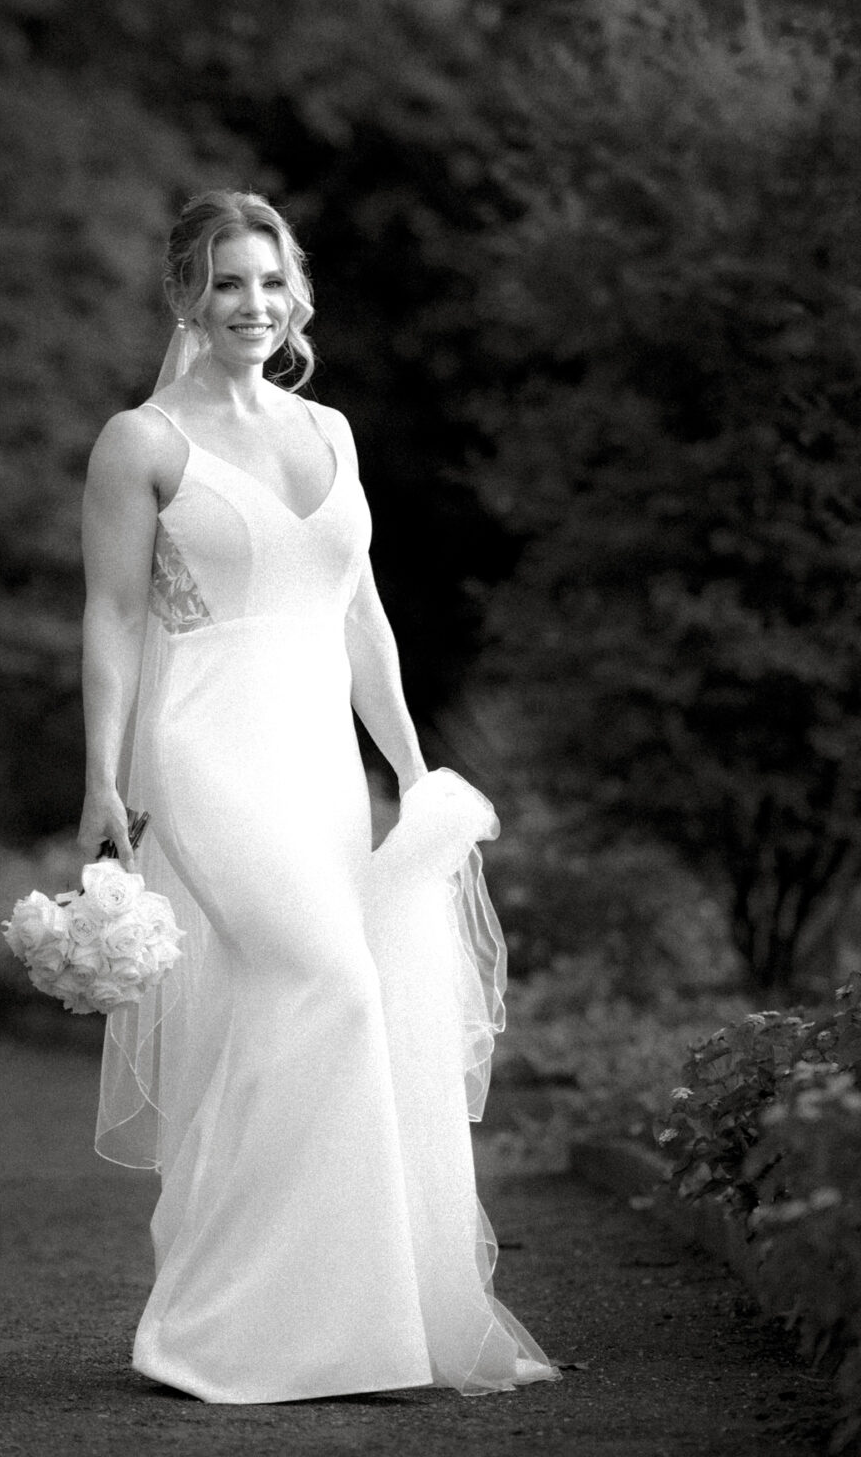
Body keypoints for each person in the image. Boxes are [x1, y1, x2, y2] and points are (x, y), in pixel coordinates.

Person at [76, 189, 557, 1403]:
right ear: (186, 293)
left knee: (282, 1017)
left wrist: (408, 766)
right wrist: (99, 775)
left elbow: (360, 614)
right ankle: (220, 1321)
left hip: (318, 764)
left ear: (296, 292)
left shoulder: (331, 431)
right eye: (226, 282)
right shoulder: (141, 441)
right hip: (206, 751)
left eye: (269, 281)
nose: (251, 304)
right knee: (332, 988)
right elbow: (116, 614)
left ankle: (326, 1318)